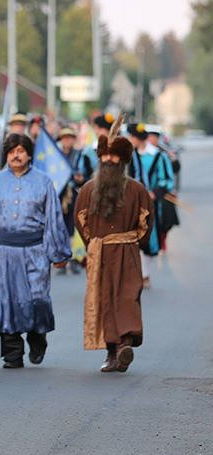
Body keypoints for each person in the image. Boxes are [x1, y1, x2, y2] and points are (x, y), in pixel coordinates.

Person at [0, 134, 71, 368]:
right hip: (0, 252)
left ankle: (38, 338)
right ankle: (12, 352)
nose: (16, 155)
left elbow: (54, 219)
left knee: (37, 298)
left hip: (35, 250)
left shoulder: (44, 181)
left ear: (29, 154)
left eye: (20, 150)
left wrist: (58, 254)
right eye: (11, 151)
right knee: (5, 300)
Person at [74, 126, 152, 373]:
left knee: (127, 297)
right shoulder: (87, 190)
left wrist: (132, 241)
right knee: (105, 299)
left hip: (127, 252)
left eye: (113, 155)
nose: (108, 160)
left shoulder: (137, 190)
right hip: (101, 254)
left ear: (122, 159)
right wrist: (94, 243)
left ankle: (124, 345)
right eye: (104, 155)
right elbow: (80, 220)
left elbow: (146, 221)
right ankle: (111, 352)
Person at [127, 122, 174, 288]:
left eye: (131, 137)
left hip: (151, 204)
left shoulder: (158, 156)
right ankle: (135, 274)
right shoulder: (129, 156)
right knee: (131, 239)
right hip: (131, 203)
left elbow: (167, 180)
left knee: (149, 239)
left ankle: (145, 274)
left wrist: (155, 193)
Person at [56, 127, 83, 275]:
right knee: (60, 227)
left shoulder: (80, 155)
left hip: (74, 194)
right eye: (64, 138)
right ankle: (62, 259)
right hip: (59, 194)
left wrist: (80, 179)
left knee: (73, 227)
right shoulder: (56, 156)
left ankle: (73, 258)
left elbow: (86, 174)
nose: (67, 140)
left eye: (70, 138)